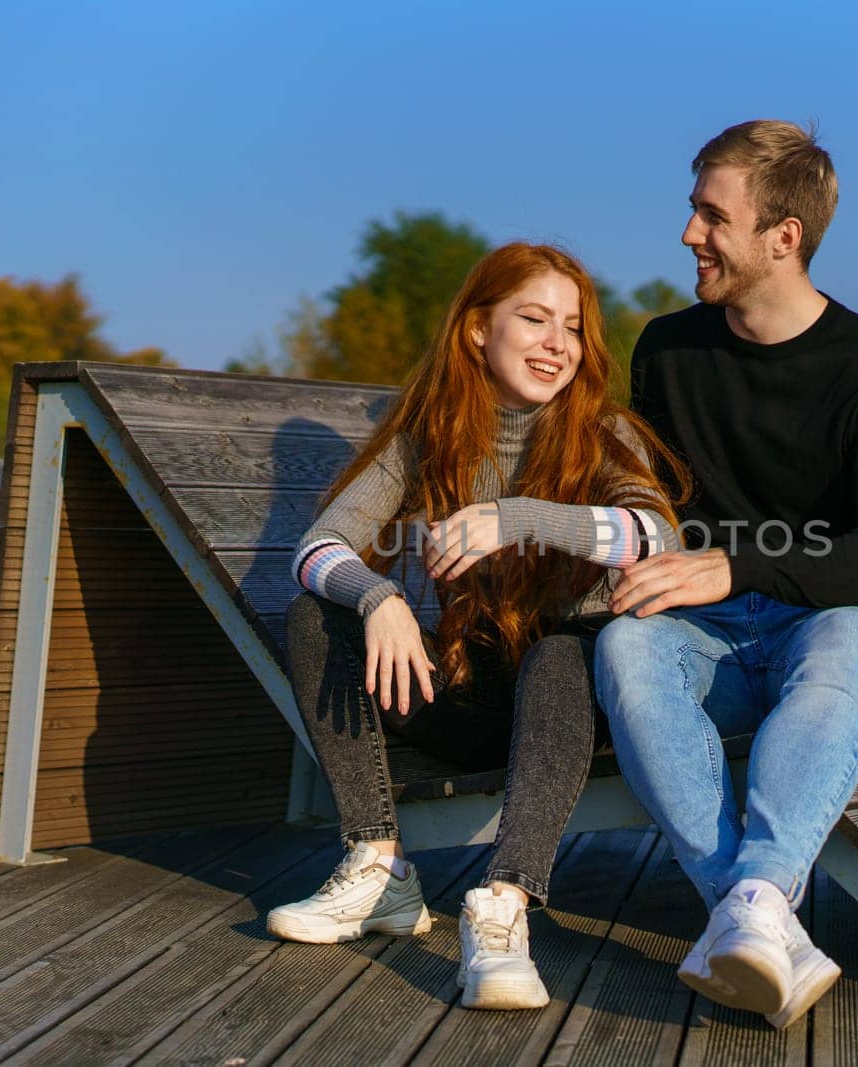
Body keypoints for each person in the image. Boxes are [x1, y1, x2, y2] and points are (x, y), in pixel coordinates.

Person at [266, 242, 685, 1011]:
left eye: (573, 326)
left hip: (573, 710)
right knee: (314, 615)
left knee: (563, 651)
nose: (559, 342)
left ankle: (503, 907)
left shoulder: (601, 432)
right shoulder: (429, 435)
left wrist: (521, 517)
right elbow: (317, 550)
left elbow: (658, 536)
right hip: (471, 698)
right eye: (534, 318)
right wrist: (378, 600)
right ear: (476, 331)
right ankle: (379, 868)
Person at [593, 121, 858, 1028]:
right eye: (692, 210)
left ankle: (746, 903)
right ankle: (754, 906)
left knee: (856, 629)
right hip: (705, 645)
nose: (688, 234)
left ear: (783, 236)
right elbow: (649, 498)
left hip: (831, 654)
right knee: (626, 647)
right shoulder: (668, 351)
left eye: (712, 215)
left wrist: (739, 563)